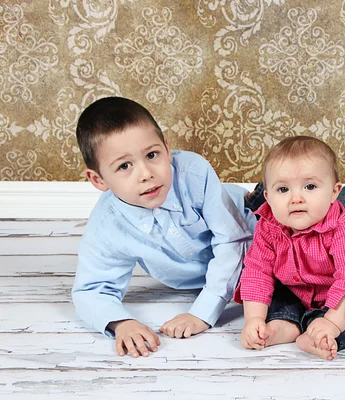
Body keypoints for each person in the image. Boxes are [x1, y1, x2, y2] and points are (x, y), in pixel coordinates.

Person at [72, 96, 256, 358]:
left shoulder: (194, 172)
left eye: (152, 154)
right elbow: (90, 290)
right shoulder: (107, 226)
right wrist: (120, 323)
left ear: (167, 149)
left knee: (319, 224)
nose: (146, 173)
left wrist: (202, 312)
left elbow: (233, 239)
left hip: (257, 222)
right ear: (98, 179)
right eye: (125, 166)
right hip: (225, 270)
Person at [235, 136, 345, 360]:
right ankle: (281, 326)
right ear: (267, 197)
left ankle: (323, 338)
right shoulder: (268, 227)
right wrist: (254, 319)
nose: (296, 198)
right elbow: (258, 272)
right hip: (297, 287)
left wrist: (331, 324)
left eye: (310, 186)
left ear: (334, 192)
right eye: (283, 189)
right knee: (278, 295)